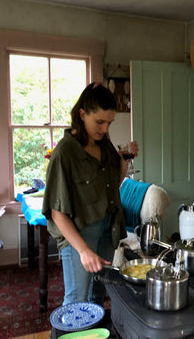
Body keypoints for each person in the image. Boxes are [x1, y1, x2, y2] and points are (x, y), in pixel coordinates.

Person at [42, 82, 137, 306]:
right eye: (99, 122)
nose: (104, 129)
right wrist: (83, 251)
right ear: (82, 114)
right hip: (79, 234)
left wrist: (124, 160)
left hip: (108, 229)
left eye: (109, 123)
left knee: (98, 294)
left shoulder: (103, 145)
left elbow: (116, 181)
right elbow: (57, 213)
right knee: (77, 300)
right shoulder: (64, 154)